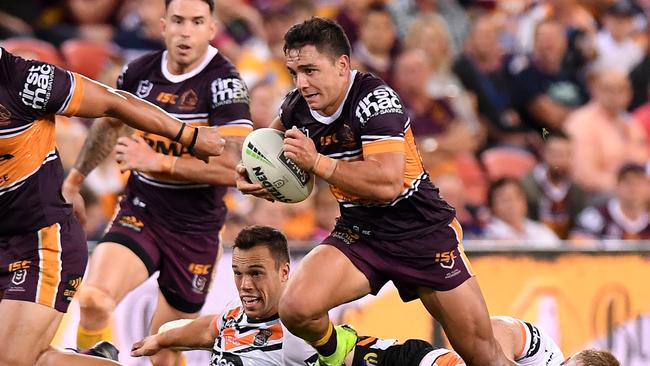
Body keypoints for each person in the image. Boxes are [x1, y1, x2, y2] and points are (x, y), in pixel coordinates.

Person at [236, 17, 513, 366]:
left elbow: (388, 183)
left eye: (309, 70)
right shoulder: (298, 106)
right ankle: (345, 356)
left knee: (480, 354)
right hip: (360, 231)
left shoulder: (375, 100)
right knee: (296, 309)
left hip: (421, 234)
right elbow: (267, 147)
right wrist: (254, 172)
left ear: (342, 65)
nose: (301, 83)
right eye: (294, 73)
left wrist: (317, 163)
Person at [0, 45, 225, 365]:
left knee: (13, 359)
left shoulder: (26, 81)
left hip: (38, 241)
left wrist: (187, 135)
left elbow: (112, 101)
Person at [62, 0, 252, 365]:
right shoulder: (138, 72)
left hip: (196, 228)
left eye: (197, 22)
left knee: (163, 349)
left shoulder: (225, 83)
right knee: (94, 299)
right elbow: (108, 123)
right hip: (142, 211)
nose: (186, 30)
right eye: (178, 21)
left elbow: (233, 168)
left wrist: (158, 161)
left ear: (212, 29)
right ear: (163, 26)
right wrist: (75, 179)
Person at [130, 225, 565, 366]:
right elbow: (207, 330)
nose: (245, 285)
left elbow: (366, 354)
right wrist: (161, 338)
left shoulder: (297, 333)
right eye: (239, 274)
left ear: (286, 272)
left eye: (256, 273)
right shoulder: (233, 317)